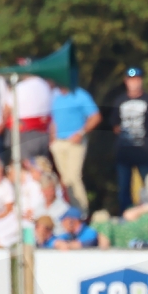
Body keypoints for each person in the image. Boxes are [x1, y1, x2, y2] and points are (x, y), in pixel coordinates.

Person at [107, 67, 148, 214]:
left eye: (137, 79)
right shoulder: (119, 100)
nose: (134, 83)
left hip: (145, 152)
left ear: (141, 81)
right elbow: (115, 124)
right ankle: (126, 216)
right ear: (126, 81)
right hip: (124, 152)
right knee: (124, 188)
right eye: (131, 80)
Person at [49, 80, 101, 213]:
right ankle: (70, 212)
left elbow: (95, 116)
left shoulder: (80, 94)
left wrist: (81, 132)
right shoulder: (55, 96)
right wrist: (53, 139)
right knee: (65, 180)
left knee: (73, 177)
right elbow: (54, 119)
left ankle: (82, 212)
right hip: (59, 142)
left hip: (75, 143)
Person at [9, 71, 54, 160]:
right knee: (41, 163)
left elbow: (8, 107)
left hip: (25, 131)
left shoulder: (21, 87)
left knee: (25, 163)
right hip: (44, 131)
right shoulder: (45, 86)